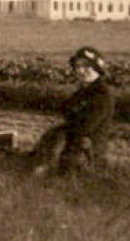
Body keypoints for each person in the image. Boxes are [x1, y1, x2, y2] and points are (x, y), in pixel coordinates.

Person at [28, 46, 117, 176]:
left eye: (87, 66)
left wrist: (58, 134)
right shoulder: (83, 92)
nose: (81, 70)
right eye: (78, 66)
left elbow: (85, 127)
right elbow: (67, 113)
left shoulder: (102, 95)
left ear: (97, 68)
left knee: (59, 143)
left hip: (88, 151)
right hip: (76, 144)